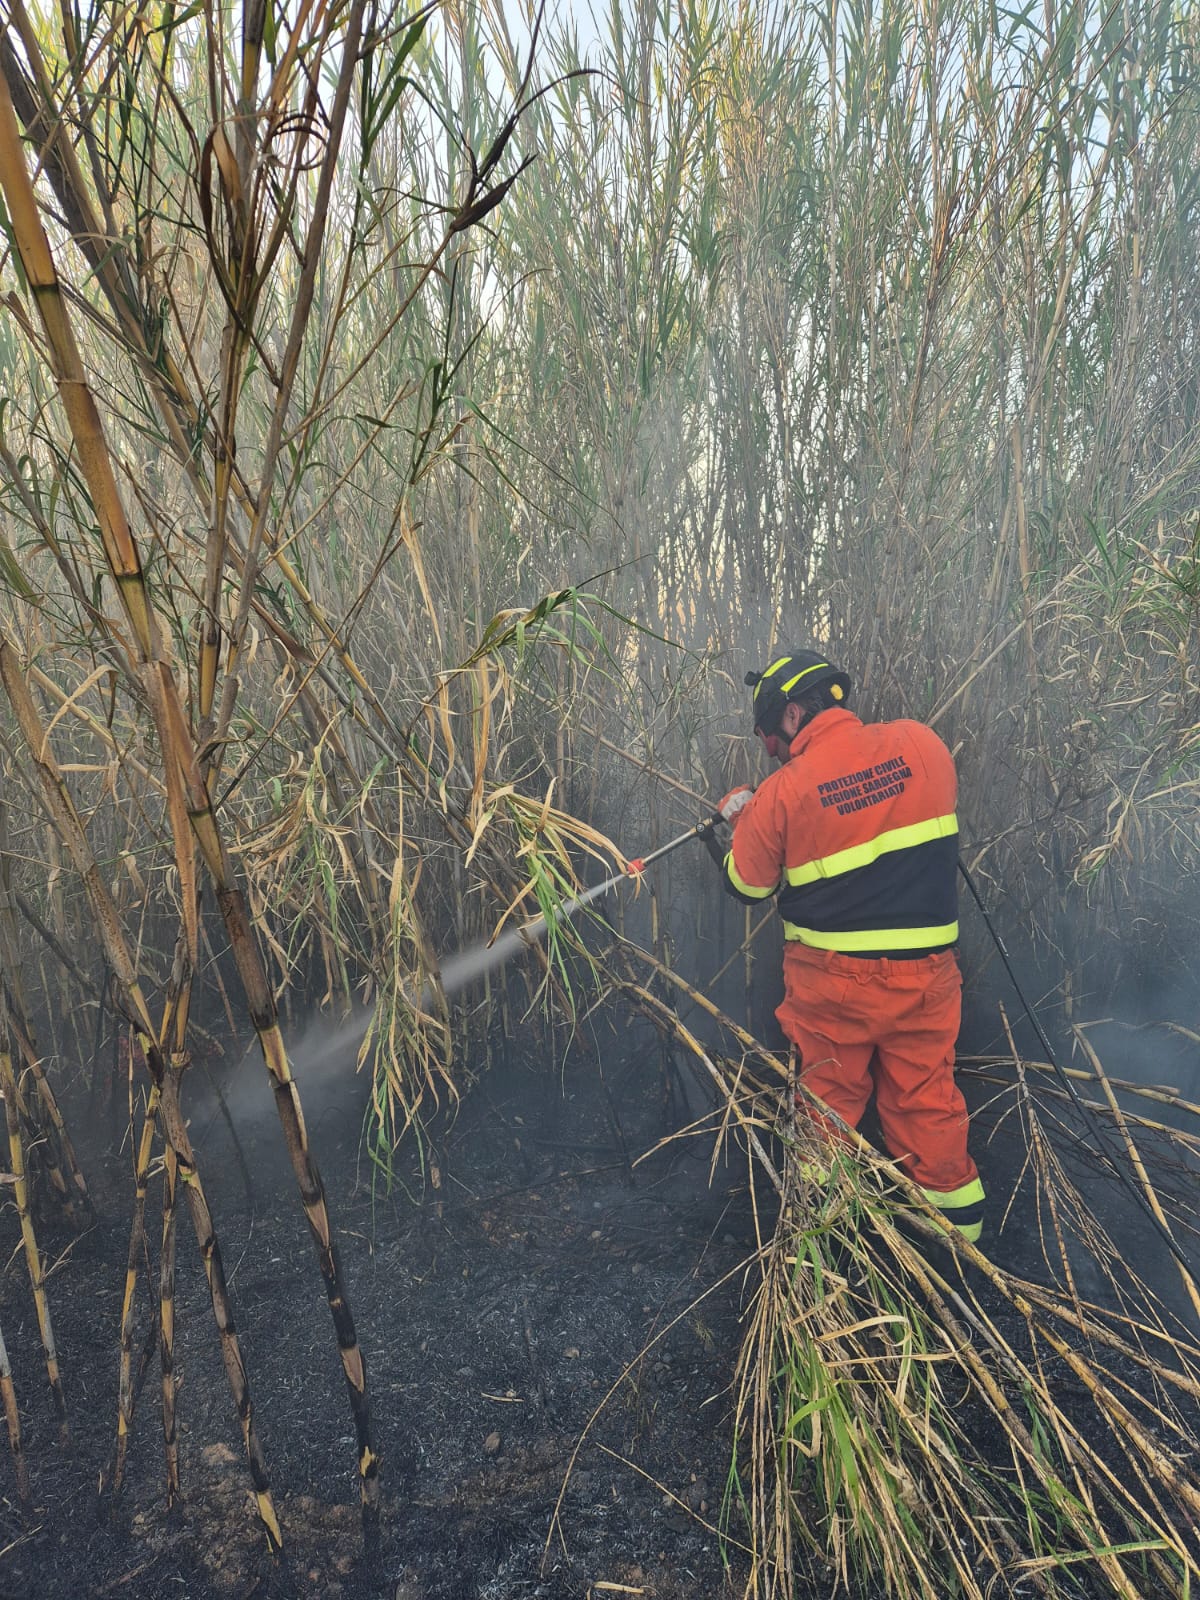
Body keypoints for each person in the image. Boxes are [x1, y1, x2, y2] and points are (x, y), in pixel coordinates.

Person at [708, 648, 984, 1242]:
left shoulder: (783, 794)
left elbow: (745, 885)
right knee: (927, 1104)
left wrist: (737, 826)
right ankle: (959, 1255)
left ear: (788, 718)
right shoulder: (923, 744)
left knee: (826, 1107)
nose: (770, 754)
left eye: (767, 739)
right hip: (928, 983)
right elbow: (878, 813)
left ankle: (820, 1251)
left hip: (834, 992)